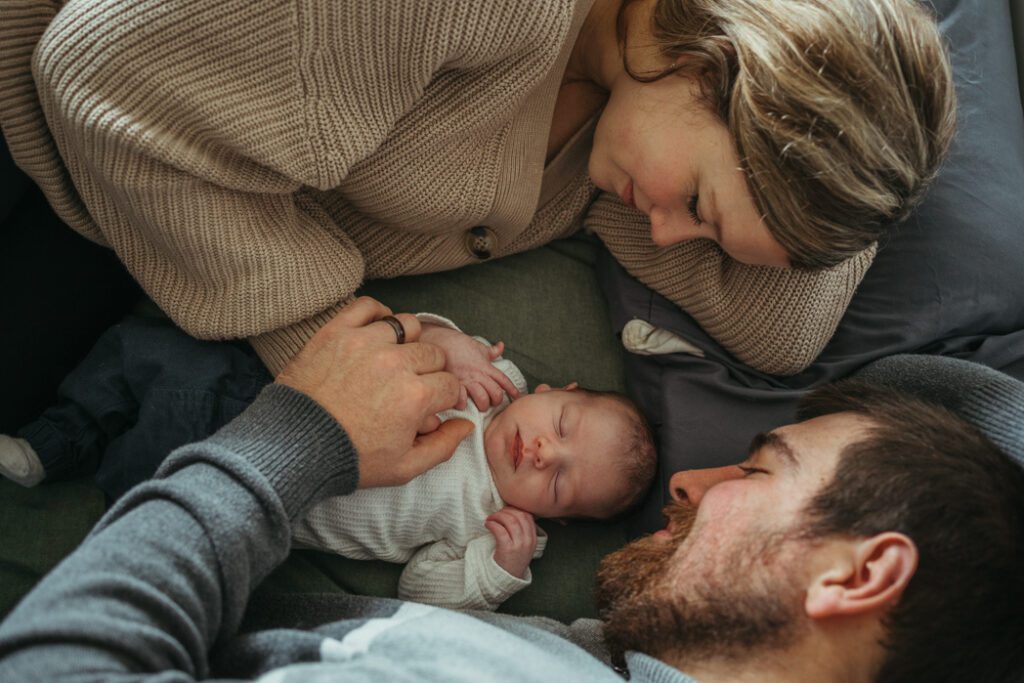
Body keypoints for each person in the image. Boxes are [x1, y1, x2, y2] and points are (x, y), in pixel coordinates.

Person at [0, 298, 1021, 682]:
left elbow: (60, 667)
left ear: (857, 570)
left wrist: (286, 445)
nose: (688, 478)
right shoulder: (596, 649)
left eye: (757, 472)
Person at [0, 0, 956, 378]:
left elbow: (780, 333)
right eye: (699, 207)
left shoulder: (622, 129)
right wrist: (327, 346)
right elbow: (94, 71)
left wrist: (864, 126)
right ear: (715, 61)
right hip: (43, 127)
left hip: (138, 218)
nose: (666, 240)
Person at [0, 308, 655, 610]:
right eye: (562, 425)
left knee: (146, 467)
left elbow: (419, 589)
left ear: (555, 520)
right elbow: (401, 334)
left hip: (263, 485)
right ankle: (55, 440)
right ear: (553, 391)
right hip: (262, 389)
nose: (543, 451)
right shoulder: (491, 376)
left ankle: (112, 505)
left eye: (561, 482)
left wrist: (496, 572)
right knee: (142, 348)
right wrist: (451, 341)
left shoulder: (490, 527)